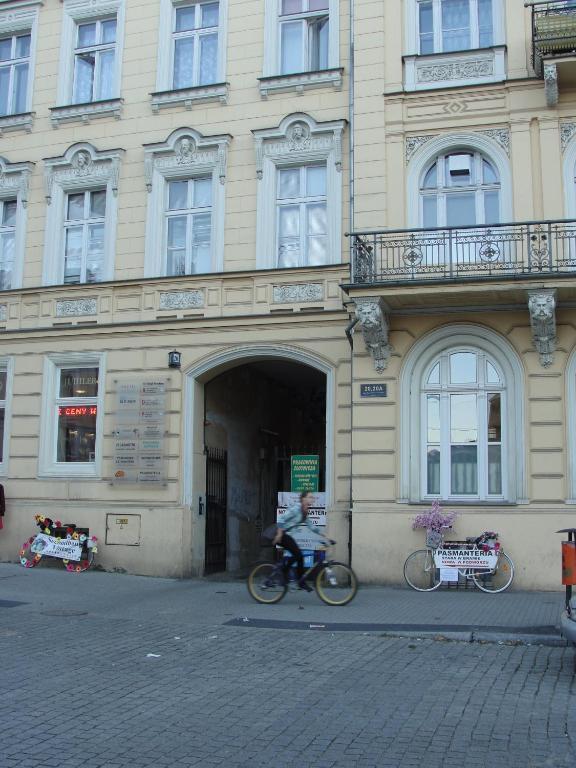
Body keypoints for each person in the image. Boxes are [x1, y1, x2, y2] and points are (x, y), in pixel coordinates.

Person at [273, 490, 332, 592]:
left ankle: (300, 582)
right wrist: (279, 534)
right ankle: (286, 575)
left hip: (287, 536)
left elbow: (312, 527)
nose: (312, 499)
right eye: (310, 497)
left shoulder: (304, 511)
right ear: (303, 499)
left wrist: (325, 536)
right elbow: (281, 519)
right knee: (298, 555)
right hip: (282, 535)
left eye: (312, 497)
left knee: (299, 557)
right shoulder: (296, 509)